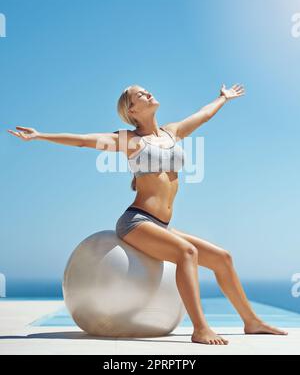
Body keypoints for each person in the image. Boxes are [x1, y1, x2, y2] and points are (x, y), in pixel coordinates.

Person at [7, 83, 288, 345]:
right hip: (136, 222)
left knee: (223, 259)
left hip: (162, 224)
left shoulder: (172, 132)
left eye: (146, 91)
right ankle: (201, 328)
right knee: (187, 253)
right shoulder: (130, 141)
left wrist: (223, 98)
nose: (147, 94)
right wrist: (40, 135)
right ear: (131, 111)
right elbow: (84, 141)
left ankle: (251, 321)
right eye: (139, 95)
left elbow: (203, 115)